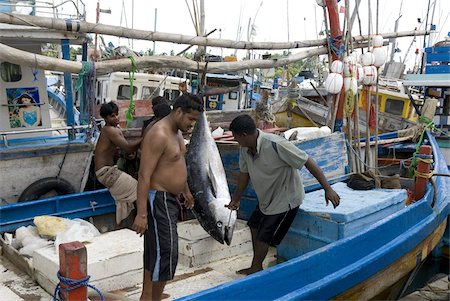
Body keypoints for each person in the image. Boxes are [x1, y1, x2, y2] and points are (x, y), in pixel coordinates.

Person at [226, 114, 340, 275]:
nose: (236, 140)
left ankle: (256, 267)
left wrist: (327, 189)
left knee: (263, 236)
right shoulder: (245, 149)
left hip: (285, 198)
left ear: (244, 135)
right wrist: (236, 199)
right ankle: (256, 264)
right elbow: (244, 174)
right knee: (253, 225)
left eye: (236, 137)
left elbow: (307, 161)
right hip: (267, 197)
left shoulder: (275, 144)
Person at [132, 93, 203, 301]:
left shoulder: (177, 131)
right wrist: (142, 214)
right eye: (190, 119)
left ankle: (148, 296)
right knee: (167, 252)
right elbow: (144, 174)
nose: (192, 124)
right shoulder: (159, 133)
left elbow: (176, 163)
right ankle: (153, 297)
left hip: (171, 197)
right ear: (178, 111)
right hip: (159, 199)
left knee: (157, 250)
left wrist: (185, 190)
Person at [94, 102, 142, 226]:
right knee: (138, 189)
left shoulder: (114, 129)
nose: (116, 118)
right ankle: (138, 223)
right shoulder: (109, 130)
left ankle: (124, 224)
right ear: (105, 118)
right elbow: (128, 149)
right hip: (106, 173)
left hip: (110, 170)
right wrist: (145, 138)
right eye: (112, 116)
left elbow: (125, 151)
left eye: (117, 115)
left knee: (131, 190)